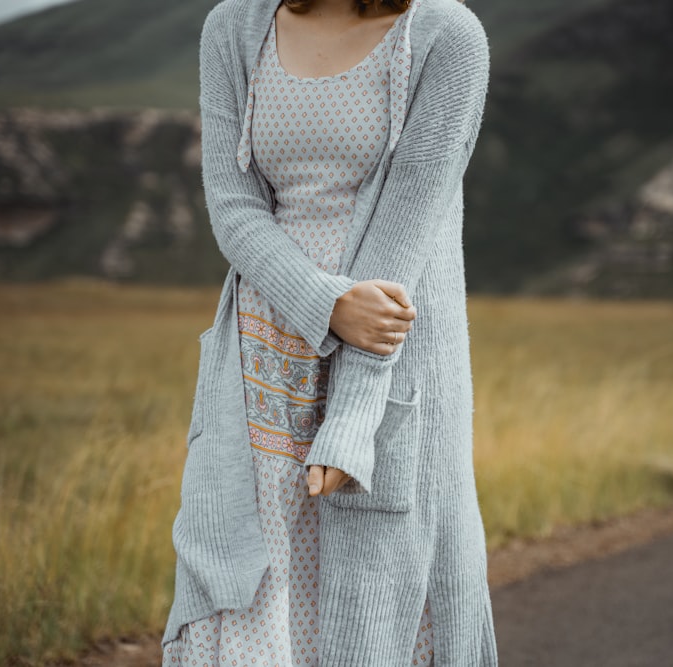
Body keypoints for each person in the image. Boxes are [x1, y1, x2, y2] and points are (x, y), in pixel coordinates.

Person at [161, 0, 496, 664]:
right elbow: (233, 206)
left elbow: (407, 232)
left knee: (384, 593)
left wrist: (353, 416)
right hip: (265, 360)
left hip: (394, 357)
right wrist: (326, 302)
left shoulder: (447, 37)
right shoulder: (232, 27)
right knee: (252, 583)